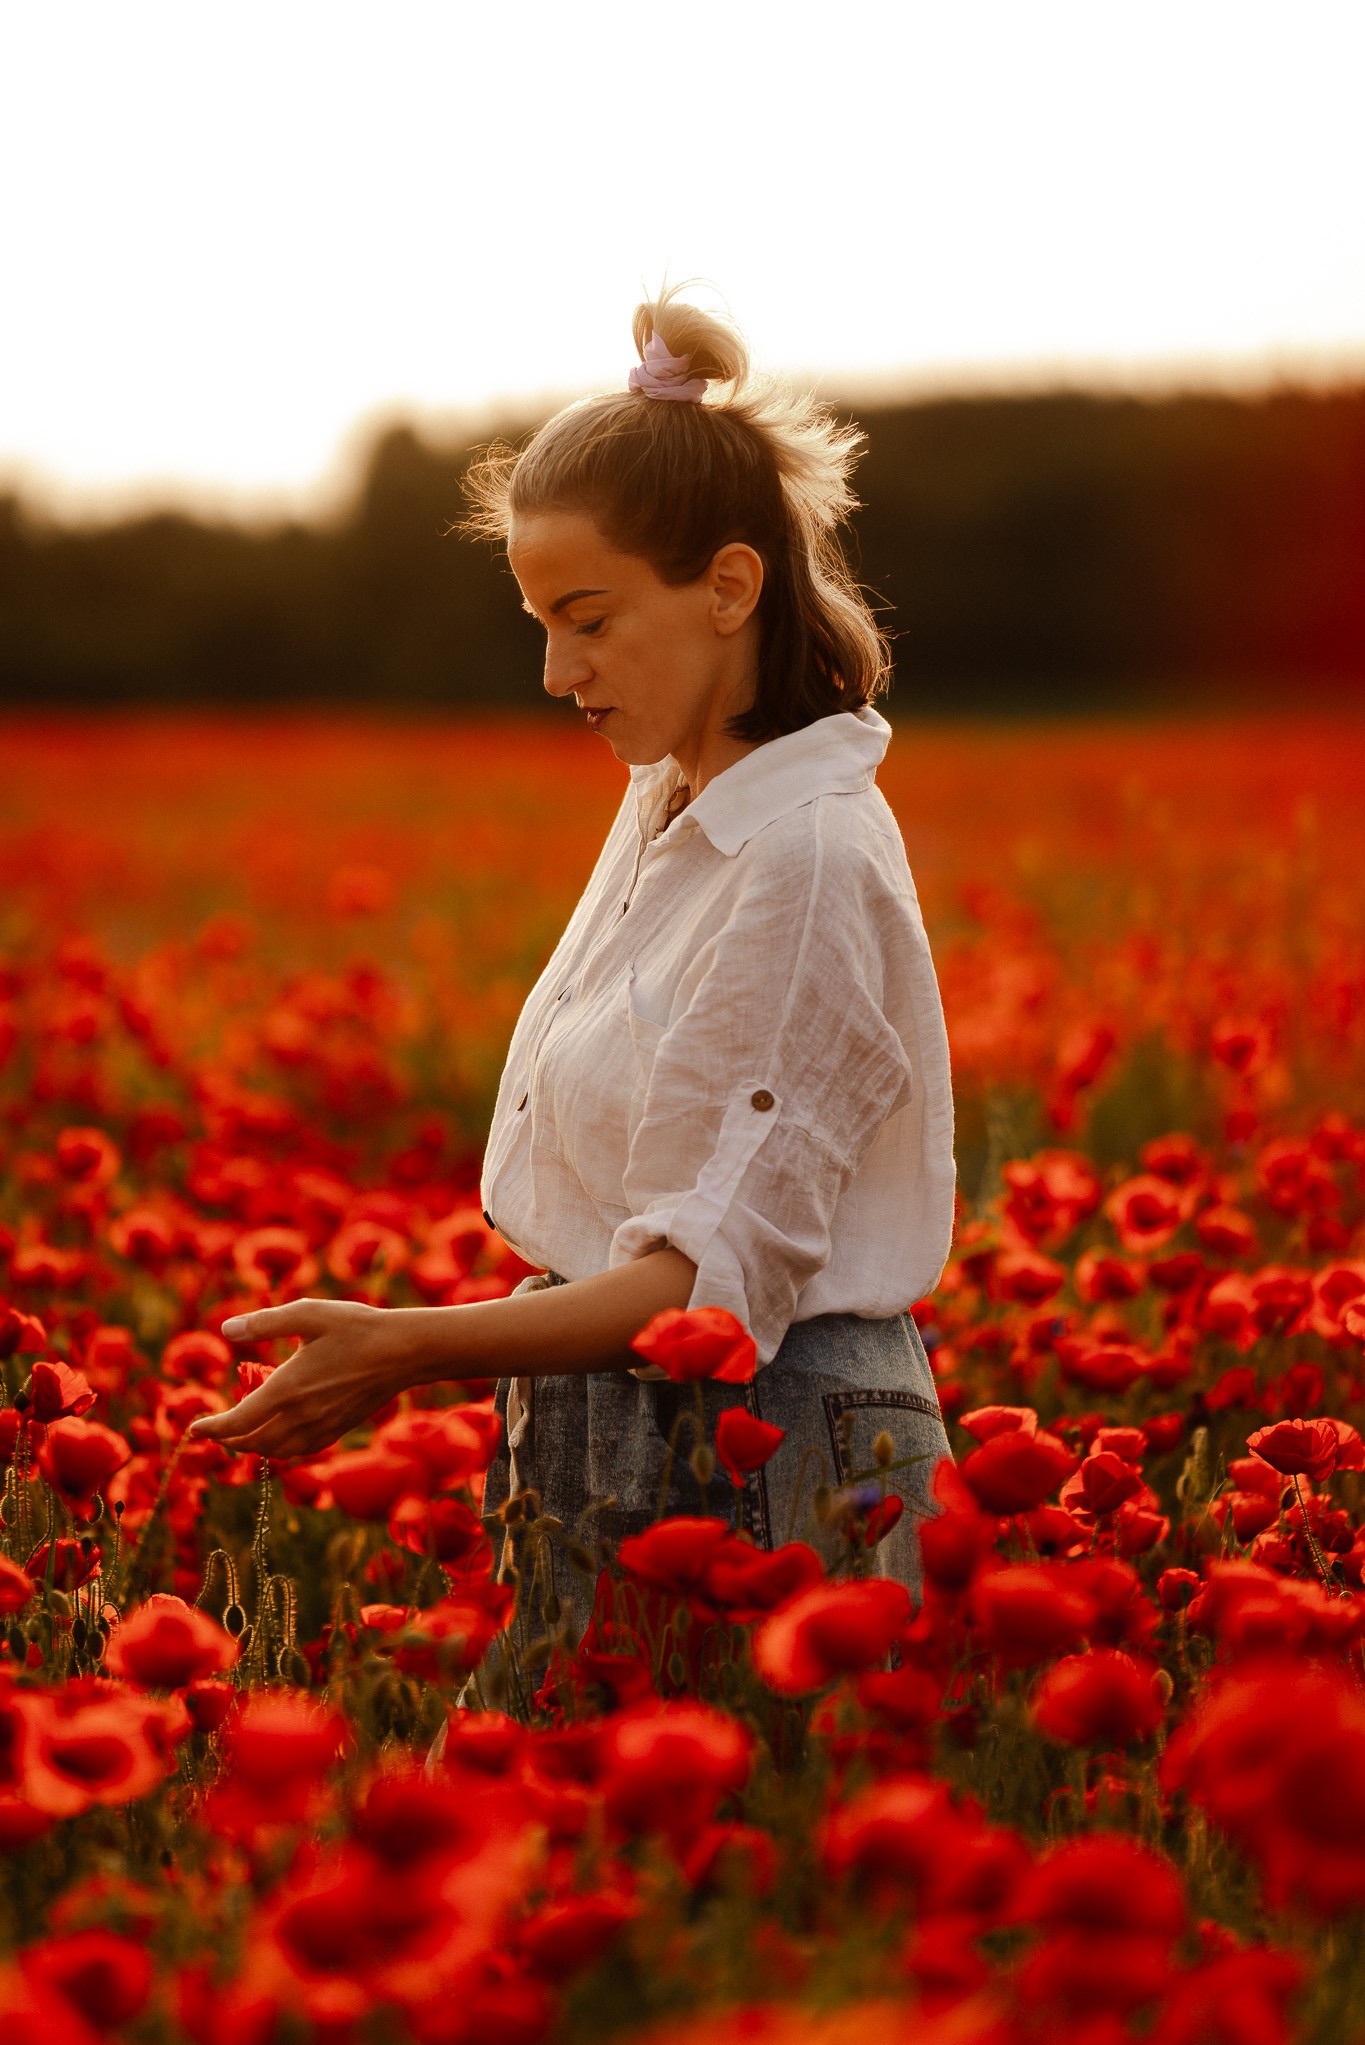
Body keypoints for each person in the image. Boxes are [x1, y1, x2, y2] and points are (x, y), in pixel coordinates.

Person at [190, 290, 956, 1616]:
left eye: (588, 619)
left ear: (729, 586)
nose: (556, 672)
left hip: (772, 1453)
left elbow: (696, 1288)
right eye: (541, 621)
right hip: (617, 1425)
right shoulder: (675, 797)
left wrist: (404, 1349)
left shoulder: (804, 854)